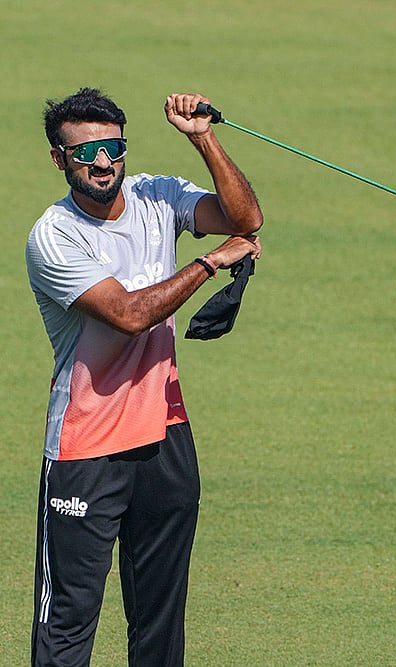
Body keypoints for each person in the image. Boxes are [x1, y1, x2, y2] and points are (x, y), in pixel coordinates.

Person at [26, 87, 263, 666]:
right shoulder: (53, 236)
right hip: (86, 449)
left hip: (164, 436)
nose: (103, 162)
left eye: (113, 147)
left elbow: (245, 219)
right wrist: (210, 262)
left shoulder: (157, 195)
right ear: (60, 160)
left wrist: (204, 137)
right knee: (68, 623)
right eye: (85, 153)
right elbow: (130, 315)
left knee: (160, 619)